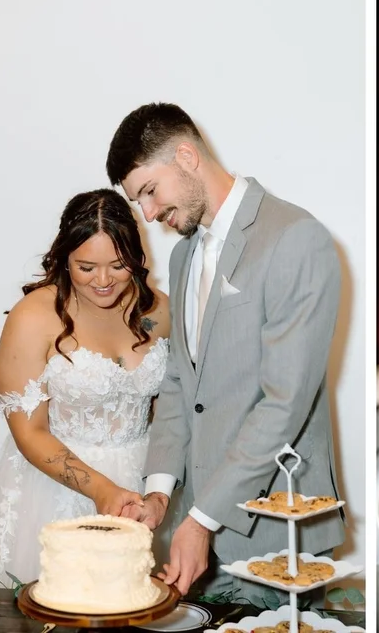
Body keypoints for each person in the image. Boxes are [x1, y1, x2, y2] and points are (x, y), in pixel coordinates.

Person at [105, 102, 345, 600]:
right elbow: (178, 384)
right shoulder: (182, 252)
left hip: (277, 537)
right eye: (138, 201)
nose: (148, 214)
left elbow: (283, 404)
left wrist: (202, 519)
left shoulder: (296, 239)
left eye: (149, 191)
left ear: (187, 156)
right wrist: (160, 492)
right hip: (196, 536)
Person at [0, 188, 172, 584]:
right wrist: (100, 489)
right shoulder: (34, 317)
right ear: (64, 257)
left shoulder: (160, 310)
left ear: (137, 257)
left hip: (144, 489)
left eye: (118, 265)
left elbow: (170, 414)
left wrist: (158, 490)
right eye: (86, 267)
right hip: (56, 490)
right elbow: (27, 430)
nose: (103, 281)